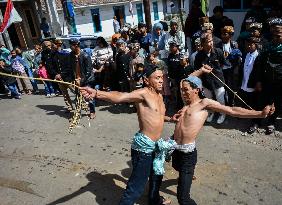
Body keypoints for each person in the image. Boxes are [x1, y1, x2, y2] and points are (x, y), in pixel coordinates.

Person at [80, 64, 212, 205]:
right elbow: (121, 96)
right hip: (143, 147)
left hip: (155, 145)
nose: (161, 81)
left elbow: (157, 116)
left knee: (157, 174)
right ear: (146, 80)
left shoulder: (159, 95)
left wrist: (170, 119)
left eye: (162, 77)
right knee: (136, 187)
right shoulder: (143, 93)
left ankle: (154, 200)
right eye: (157, 78)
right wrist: (97, 93)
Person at [169, 75, 275, 205]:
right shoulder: (186, 104)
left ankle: (187, 176)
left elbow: (231, 110)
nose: (182, 93)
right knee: (176, 166)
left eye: (185, 90)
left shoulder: (204, 103)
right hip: (175, 148)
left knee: (183, 199)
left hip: (187, 154)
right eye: (182, 90)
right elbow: (182, 81)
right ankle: (188, 175)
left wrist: (259, 114)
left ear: (196, 90)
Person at [248, 17, 282, 134]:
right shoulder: (267, 46)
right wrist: (258, 81)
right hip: (266, 80)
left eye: (279, 34)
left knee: (277, 102)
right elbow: (259, 65)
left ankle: (271, 122)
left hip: (279, 82)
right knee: (261, 102)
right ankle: (256, 121)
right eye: (273, 33)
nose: (275, 37)